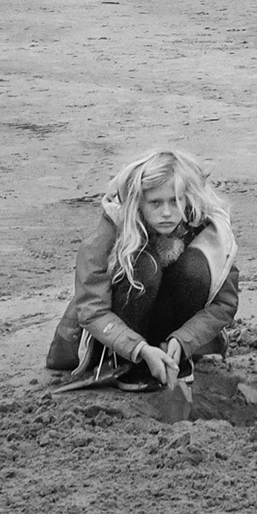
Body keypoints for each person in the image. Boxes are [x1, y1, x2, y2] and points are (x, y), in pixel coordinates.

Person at [46, 149, 239, 391]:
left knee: (196, 268)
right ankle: (128, 362)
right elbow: (91, 310)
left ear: (188, 199)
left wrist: (184, 339)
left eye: (175, 201)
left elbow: (224, 304)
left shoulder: (209, 228)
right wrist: (139, 348)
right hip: (117, 335)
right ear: (138, 203)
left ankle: (172, 353)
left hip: (175, 329)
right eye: (155, 203)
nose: (167, 212)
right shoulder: (111, 229)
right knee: (144, 267)